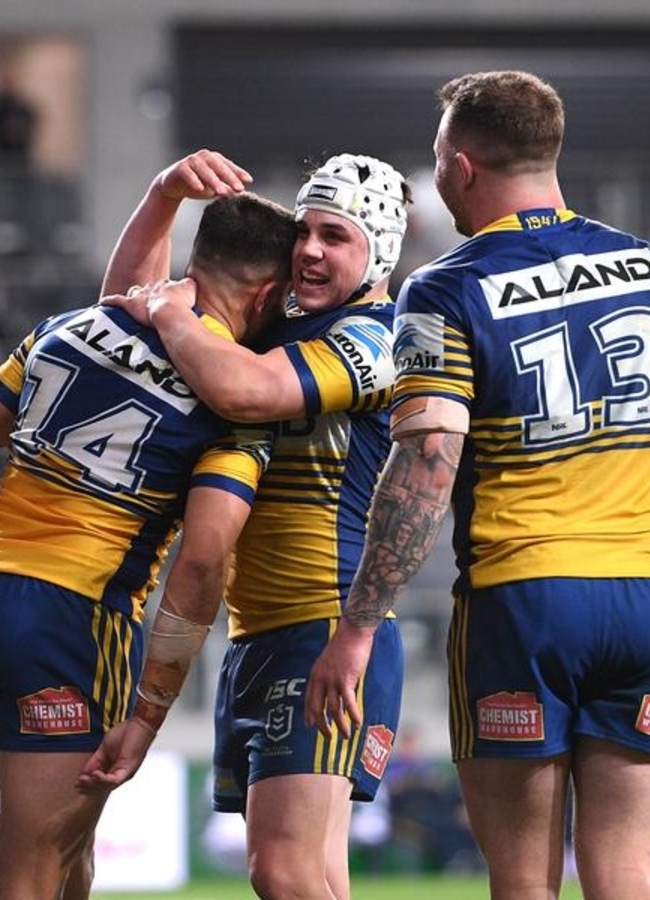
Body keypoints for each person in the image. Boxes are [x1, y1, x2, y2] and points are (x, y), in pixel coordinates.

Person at [303, 70, 650, 900]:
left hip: (524, 601)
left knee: (526, 883)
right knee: (624, 872)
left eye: (438, 161)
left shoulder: (445, 287)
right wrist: (625, 499)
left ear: (460, 167)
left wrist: (356, 630)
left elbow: (426, 465)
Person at [0, 189, 296, 899]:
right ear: (267, 295)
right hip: (71, 618)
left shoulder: (70, 327)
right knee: (33, 870)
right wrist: (150, 711)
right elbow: (202, 562)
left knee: (69, 860)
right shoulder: (231, 400)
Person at [82, 148, 411, 900]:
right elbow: (122, 311)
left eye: (335, 236)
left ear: (380, 253)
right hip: (259, 633)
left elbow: (243, 391)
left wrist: (171, 310)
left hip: (325, 629)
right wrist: (163, 196)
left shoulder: (376, 339)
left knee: (283, 872)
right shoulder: (282, 331)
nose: (309, 250)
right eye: (305, 232)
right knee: (315, 874)